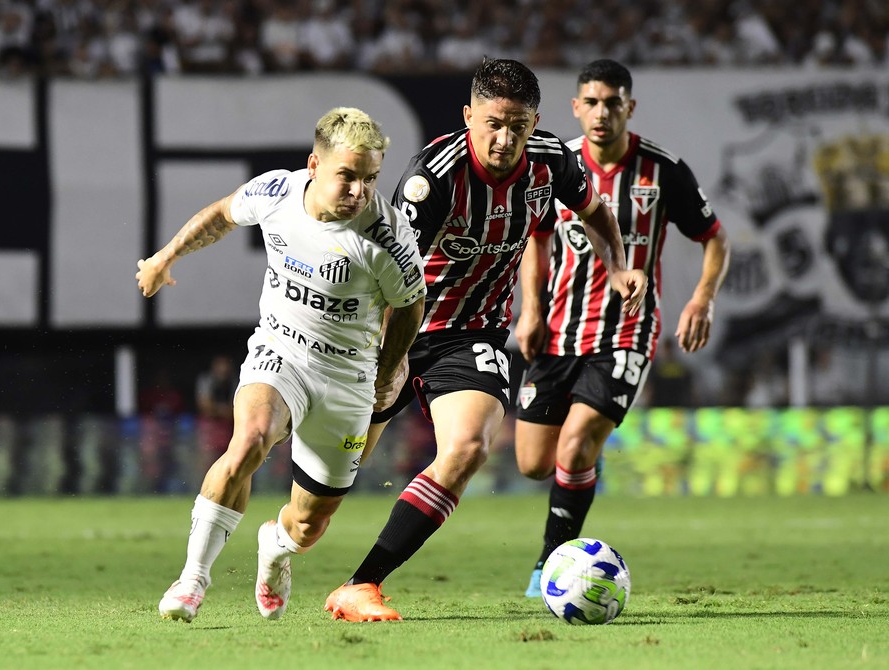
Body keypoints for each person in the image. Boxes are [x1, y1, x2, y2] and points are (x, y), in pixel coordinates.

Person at [323, 58, 647, 622]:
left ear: (536, 121)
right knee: (323, 495)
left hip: (471, 334)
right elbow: (385, 271)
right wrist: (384, 356)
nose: (504, 138)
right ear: (469, 116)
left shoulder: (552, 163)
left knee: (468, 448)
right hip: (396, 328)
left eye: (518, 125)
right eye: (493, 123)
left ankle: (361, 584)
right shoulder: (433, 178)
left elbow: (594, 210)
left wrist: (617, 265)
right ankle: (278, 540)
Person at [135, 107, 426, 623]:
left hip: (348, 378)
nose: (360, 191)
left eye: (371, 178)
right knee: (250, 439)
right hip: (281, 350)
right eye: (348, 176)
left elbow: (410, 306)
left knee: (309, 523)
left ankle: (275, 547)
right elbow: (223, 213)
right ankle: (192, 579)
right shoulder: (277, 193)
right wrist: (164, 257)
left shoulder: (387, 237)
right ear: (314, 164)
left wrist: (387, 370)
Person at [513, 59, 730, 597]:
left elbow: (716, 239)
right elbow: (535, 242)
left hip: (625, 332)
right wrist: (532, 309)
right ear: (575, 107)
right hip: (558, 332)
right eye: (591, 102)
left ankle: (548, 568)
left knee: (575, 444)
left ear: (629, 107)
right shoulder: (557, 163)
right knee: (533, 464)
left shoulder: (662, 170)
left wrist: (702, 299)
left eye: (613, 103)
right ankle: (584, 463)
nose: (601, 113)